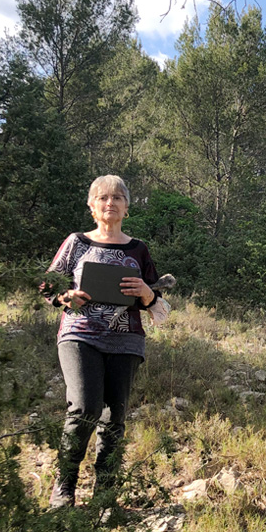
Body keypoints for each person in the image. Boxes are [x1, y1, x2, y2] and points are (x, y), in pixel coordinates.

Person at [40, 175, 160, 509]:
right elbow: (48, 286)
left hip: (126, 341)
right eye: (103, 198)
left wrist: (148, 294)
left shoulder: (138, 249)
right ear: (92, 205)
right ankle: (64, 487)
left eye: (118, 198)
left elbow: (155, 299)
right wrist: (68, 297)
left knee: (113, 418)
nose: (110, 203)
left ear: (127, 206)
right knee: (85, 407)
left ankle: (105, 498)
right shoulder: (76, 242)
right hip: (80, 335)